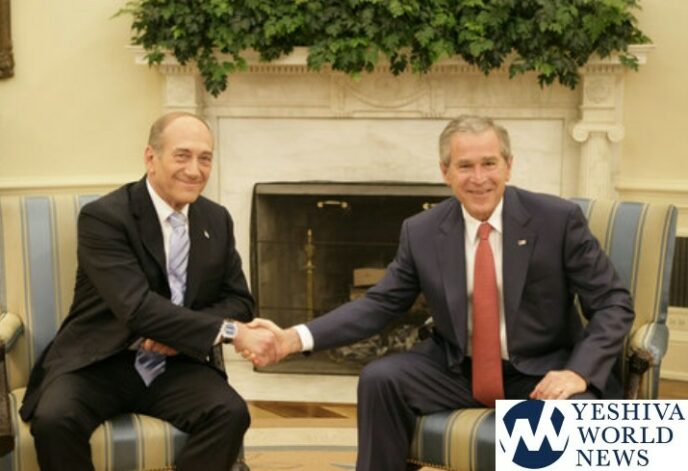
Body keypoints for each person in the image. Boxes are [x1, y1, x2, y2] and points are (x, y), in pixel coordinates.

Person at [248, 115, 635, 470]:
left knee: (578, 419)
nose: (479, 178)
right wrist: (292, 339)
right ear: (445, 172)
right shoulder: (422, 231)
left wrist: (577, 372)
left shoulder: (556, 220)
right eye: (465, 166)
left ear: (508, 165)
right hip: (456, 369)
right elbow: (380, 304)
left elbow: (613, 302)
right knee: (381, 378)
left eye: (489, 163)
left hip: (540, 370)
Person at [20, 112, 276, 470]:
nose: (195, 170)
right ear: (150, 158)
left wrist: (180, 337)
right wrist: (230, 332)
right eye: (182, 155)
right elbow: (136, 308)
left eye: (205, 158)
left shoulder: (216, 219)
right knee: (54, 420)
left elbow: (240, 301)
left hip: (174, 364)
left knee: (230, 412)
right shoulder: (105, 217)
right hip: (100, 360)